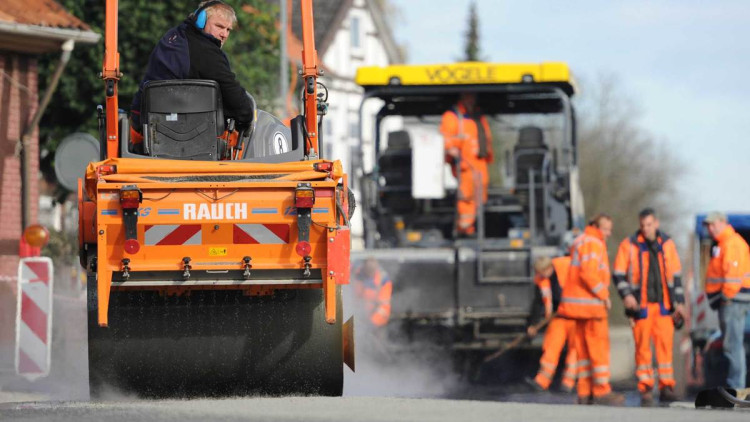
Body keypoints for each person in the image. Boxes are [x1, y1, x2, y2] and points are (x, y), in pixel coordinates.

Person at [129, 1, 254, 150]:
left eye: (228, 30)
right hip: (187, 137)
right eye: (219, 26)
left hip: (143, 129)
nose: (224, 34)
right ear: (200, 21)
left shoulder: (173, 37)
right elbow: (235, 97)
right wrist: (247, 118)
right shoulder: (206, 53)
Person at [613, 208, 685, 405]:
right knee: (642, 349)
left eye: (649, 224)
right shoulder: (629, 245)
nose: (646, 229)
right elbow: (618, 274)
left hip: (664, 306)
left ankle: (666, 387)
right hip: (641, 306)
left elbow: (676, 276)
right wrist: (627, 296)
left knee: (664, 349)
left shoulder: (668, 244)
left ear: (657, 223)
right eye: (643, 225)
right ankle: (645, 389)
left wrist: (680, 304)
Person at [557, 214, 625, 405]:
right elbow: (588, 272)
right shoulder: (593, 243)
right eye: (606, 229)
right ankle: (602, 391)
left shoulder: (580, 241)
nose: (609, 233)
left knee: (583, 353)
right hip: (592, 307)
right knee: (598, 350)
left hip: (578, 308)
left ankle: (585, 392)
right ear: (596, 226)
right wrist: (604, 294)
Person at [703, 211, 750, 389]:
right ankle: (735, 387)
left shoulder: (731, 243)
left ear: (723, 222)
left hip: (733, 301)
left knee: (733, 345)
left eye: (713, 224)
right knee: (732, 344)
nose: (710, 228)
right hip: (730, 300)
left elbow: (733, 275)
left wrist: (727, 297)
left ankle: (736, 387)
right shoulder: (724, 244)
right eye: (708, 225)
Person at [439, 93, 494, 236]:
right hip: (464, 164)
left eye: (473, 98)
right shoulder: (452, 116)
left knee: (480, 195)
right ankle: (465, 228)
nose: (471, 100)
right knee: (466, 195)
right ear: (462, 99)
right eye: (468, 98)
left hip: (479, 162)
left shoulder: (478, 116)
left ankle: (475, 225)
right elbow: (446, 137)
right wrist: (451, 149)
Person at [527, 255, 577, 392]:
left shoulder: (567, 266)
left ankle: (568, 383)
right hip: (557, 318)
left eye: (540, 272)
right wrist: (533, 323)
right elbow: (538, 302)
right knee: (551, 348)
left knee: (575, 349)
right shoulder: (541, 280)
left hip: (576, 316)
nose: (539, 275)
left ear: (548, 268)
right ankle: (541, 382)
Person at [352, 257, 393, 328]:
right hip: (362, 319)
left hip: (377, 323)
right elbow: (355, 297)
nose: (369, 273)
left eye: (371, 270)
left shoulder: (383, 280)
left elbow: (383, 306)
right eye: (367, 270)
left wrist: (371, 323)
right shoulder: (358, 275)